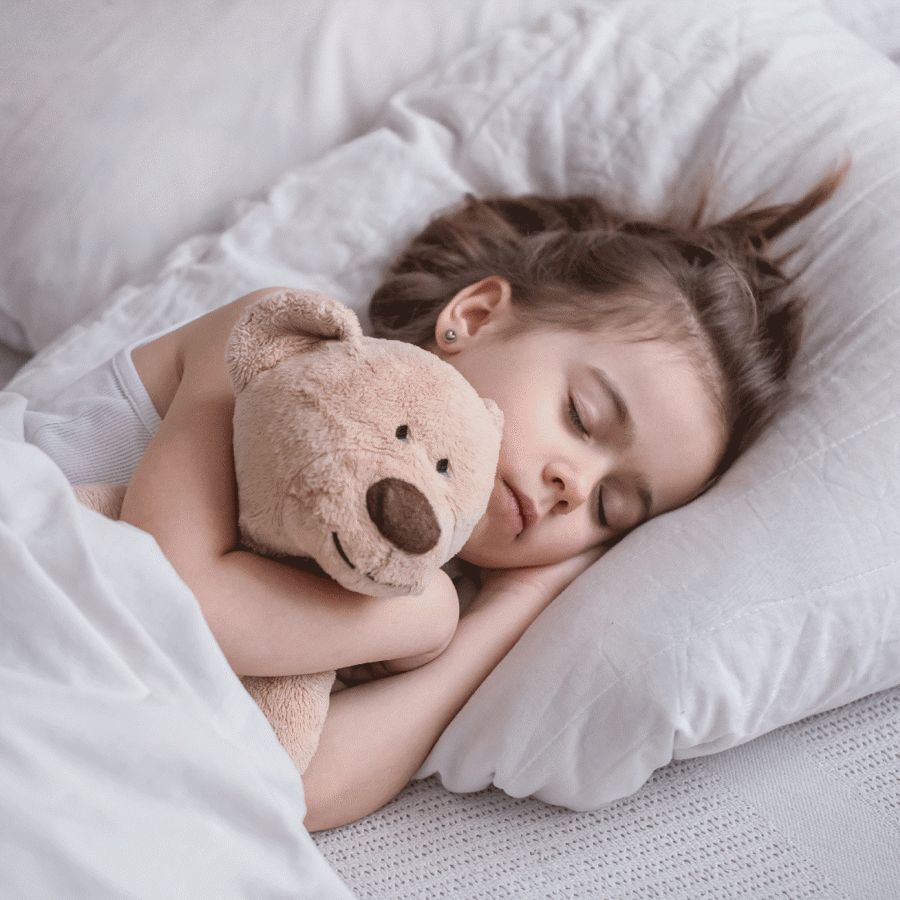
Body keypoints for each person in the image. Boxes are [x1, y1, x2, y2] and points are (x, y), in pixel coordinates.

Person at [22, 167, 845, 831]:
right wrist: (423, 620)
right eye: (581, 417)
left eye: (613, 509)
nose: (574, 486)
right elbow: (164, 600)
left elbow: (287, 785)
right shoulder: (281, 348)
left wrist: (508, 610)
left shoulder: (414, 573)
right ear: (477, 315)